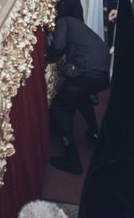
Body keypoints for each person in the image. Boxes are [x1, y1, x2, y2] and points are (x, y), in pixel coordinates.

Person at [47, 11, 109, 173]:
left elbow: (58, 47)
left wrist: (48, 56)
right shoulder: (76, 23)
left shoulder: (63, 21)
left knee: (60, 108)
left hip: (88, 72)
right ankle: (95, 133)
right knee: (81, 97)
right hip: (104, 72)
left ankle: (72, 159)